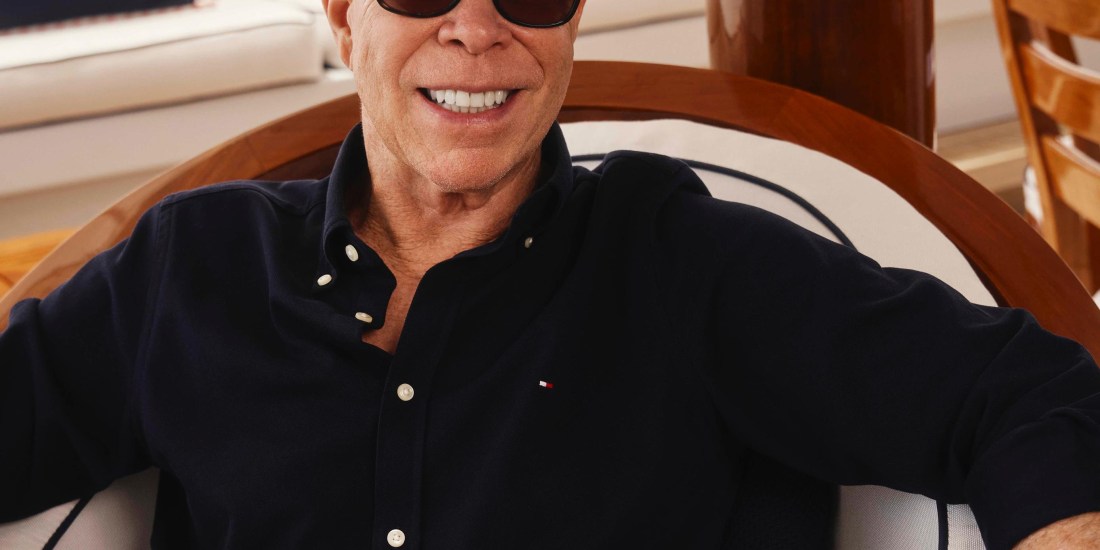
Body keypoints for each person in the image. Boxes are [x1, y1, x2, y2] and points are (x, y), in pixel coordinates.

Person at [3, 0, 1100, 548]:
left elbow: (1023, 398)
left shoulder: (682, 262)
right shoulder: (192, 270)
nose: (478, 31)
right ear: (342, 14)